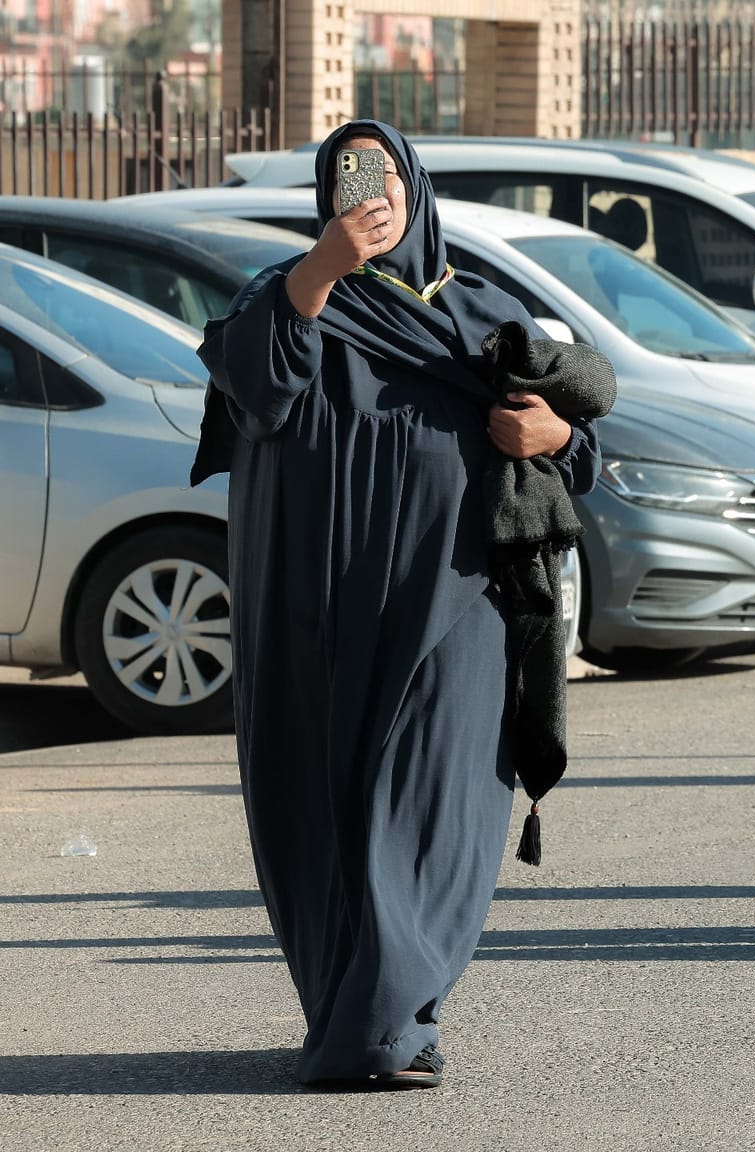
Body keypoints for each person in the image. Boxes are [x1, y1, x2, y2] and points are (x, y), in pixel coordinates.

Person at [194, 121, 601, 1087]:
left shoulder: (484, 313)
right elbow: (255, 385)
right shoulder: (286, 299)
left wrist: (548, 434)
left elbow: (579, 448)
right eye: (347, 174)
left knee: (430, 806)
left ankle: (388, 1020)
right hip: (317, 613)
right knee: (329, 810)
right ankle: (363, 1013)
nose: (367, 192)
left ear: (415, 188)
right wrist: (324, 267)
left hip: (455, 608)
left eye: (381, 176)